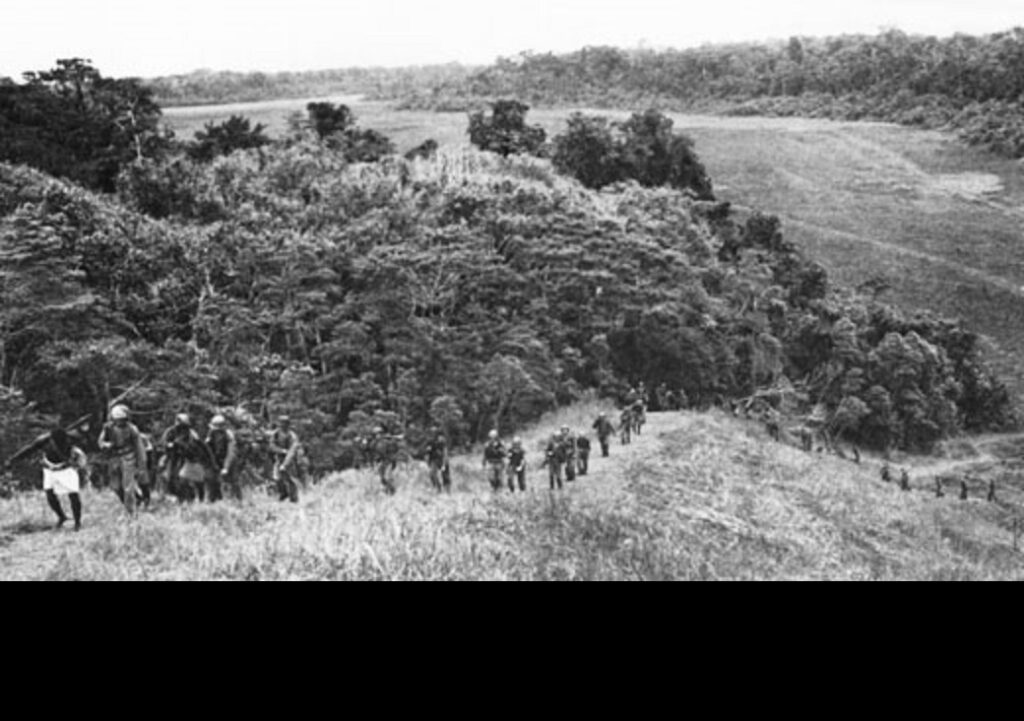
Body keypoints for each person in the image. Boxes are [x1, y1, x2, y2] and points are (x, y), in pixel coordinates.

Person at [4, 428, 87, 531]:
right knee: (50, 494)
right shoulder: (43, 440)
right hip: (50, 469)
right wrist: (13, 460)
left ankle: (77, 522)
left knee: (73, 495)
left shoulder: (71, 438)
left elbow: (83, 443)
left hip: (66, 469)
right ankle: (62, 517)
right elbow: (29, 449)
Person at [98, 405, 148, 515]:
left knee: (128, 487)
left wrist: (141, 464)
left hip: (128, 458)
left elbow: (139, 448)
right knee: (115, 487)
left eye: (122, 419)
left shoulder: (132, 429)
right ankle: (136, 500)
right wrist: (106, 445)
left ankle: (131, 512)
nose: (119, 422)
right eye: (117, 420)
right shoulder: (108, 428)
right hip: (114, 458)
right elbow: (100, 442)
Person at [206, 415, 240, 501]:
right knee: (211, 480)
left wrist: (226, 467)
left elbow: (230, 452)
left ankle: (236, 500)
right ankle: (213, 500)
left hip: (229, 460)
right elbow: (209, 451)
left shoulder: (228, 435)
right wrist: (213, 464)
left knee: (232, 481)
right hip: (216, 460)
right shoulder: (210, 434)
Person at [269, 416, 302, 503]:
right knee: (277, 478)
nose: (282, 425)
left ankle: (294, 499)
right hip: (279, 458)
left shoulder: (292, 436)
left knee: (291, 479)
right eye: (280, 423)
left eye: (284, 423)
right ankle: (283, 494)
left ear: (288, 424)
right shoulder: (275, 434)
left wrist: (285, 465)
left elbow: (292, 452)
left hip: (290, 461)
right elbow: (271, 446)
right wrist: (281, 451)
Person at [370, 426, 404, 495]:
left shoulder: (387, 442)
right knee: (382, 478)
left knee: (387, 477)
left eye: (379, 434)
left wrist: (392, 440)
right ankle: (388, 491)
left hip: (389, 461)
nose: (378, 436)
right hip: (382, 461)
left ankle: (392, 492)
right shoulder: (374, 443)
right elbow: (371, 450)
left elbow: (394, 449)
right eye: (376, 434)